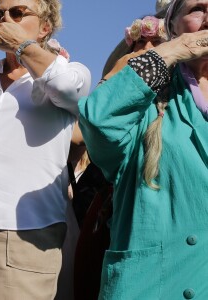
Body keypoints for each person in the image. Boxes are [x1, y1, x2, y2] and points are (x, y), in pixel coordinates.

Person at [0, 0, 91, 299]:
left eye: (19, 12)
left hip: (23, 232)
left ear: (46, 27)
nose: (6, 19)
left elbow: (64, 88)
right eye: (0, 13)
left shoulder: (72, 71)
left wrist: (21, 45)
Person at [79, 0, 208, 298]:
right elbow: (98, 122)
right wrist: (173, 51)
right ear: (171, 26)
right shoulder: (147, 98)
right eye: (197, 8)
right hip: (153, 286)